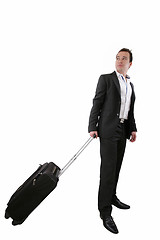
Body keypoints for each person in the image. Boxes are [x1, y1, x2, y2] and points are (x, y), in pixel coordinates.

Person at [88, 48, 137, 234]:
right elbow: (97, 103)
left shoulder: (130, 85)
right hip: (108, 130)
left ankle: (112, 197)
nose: (119, 61)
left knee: (116, 167)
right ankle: (105, 211)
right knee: (107, 171)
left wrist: (132, 128)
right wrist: (92, 126)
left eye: (124, 58)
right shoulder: (106, 79)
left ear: (130, 63)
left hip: (123, 130)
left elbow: (129, 110)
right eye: (117, 58)